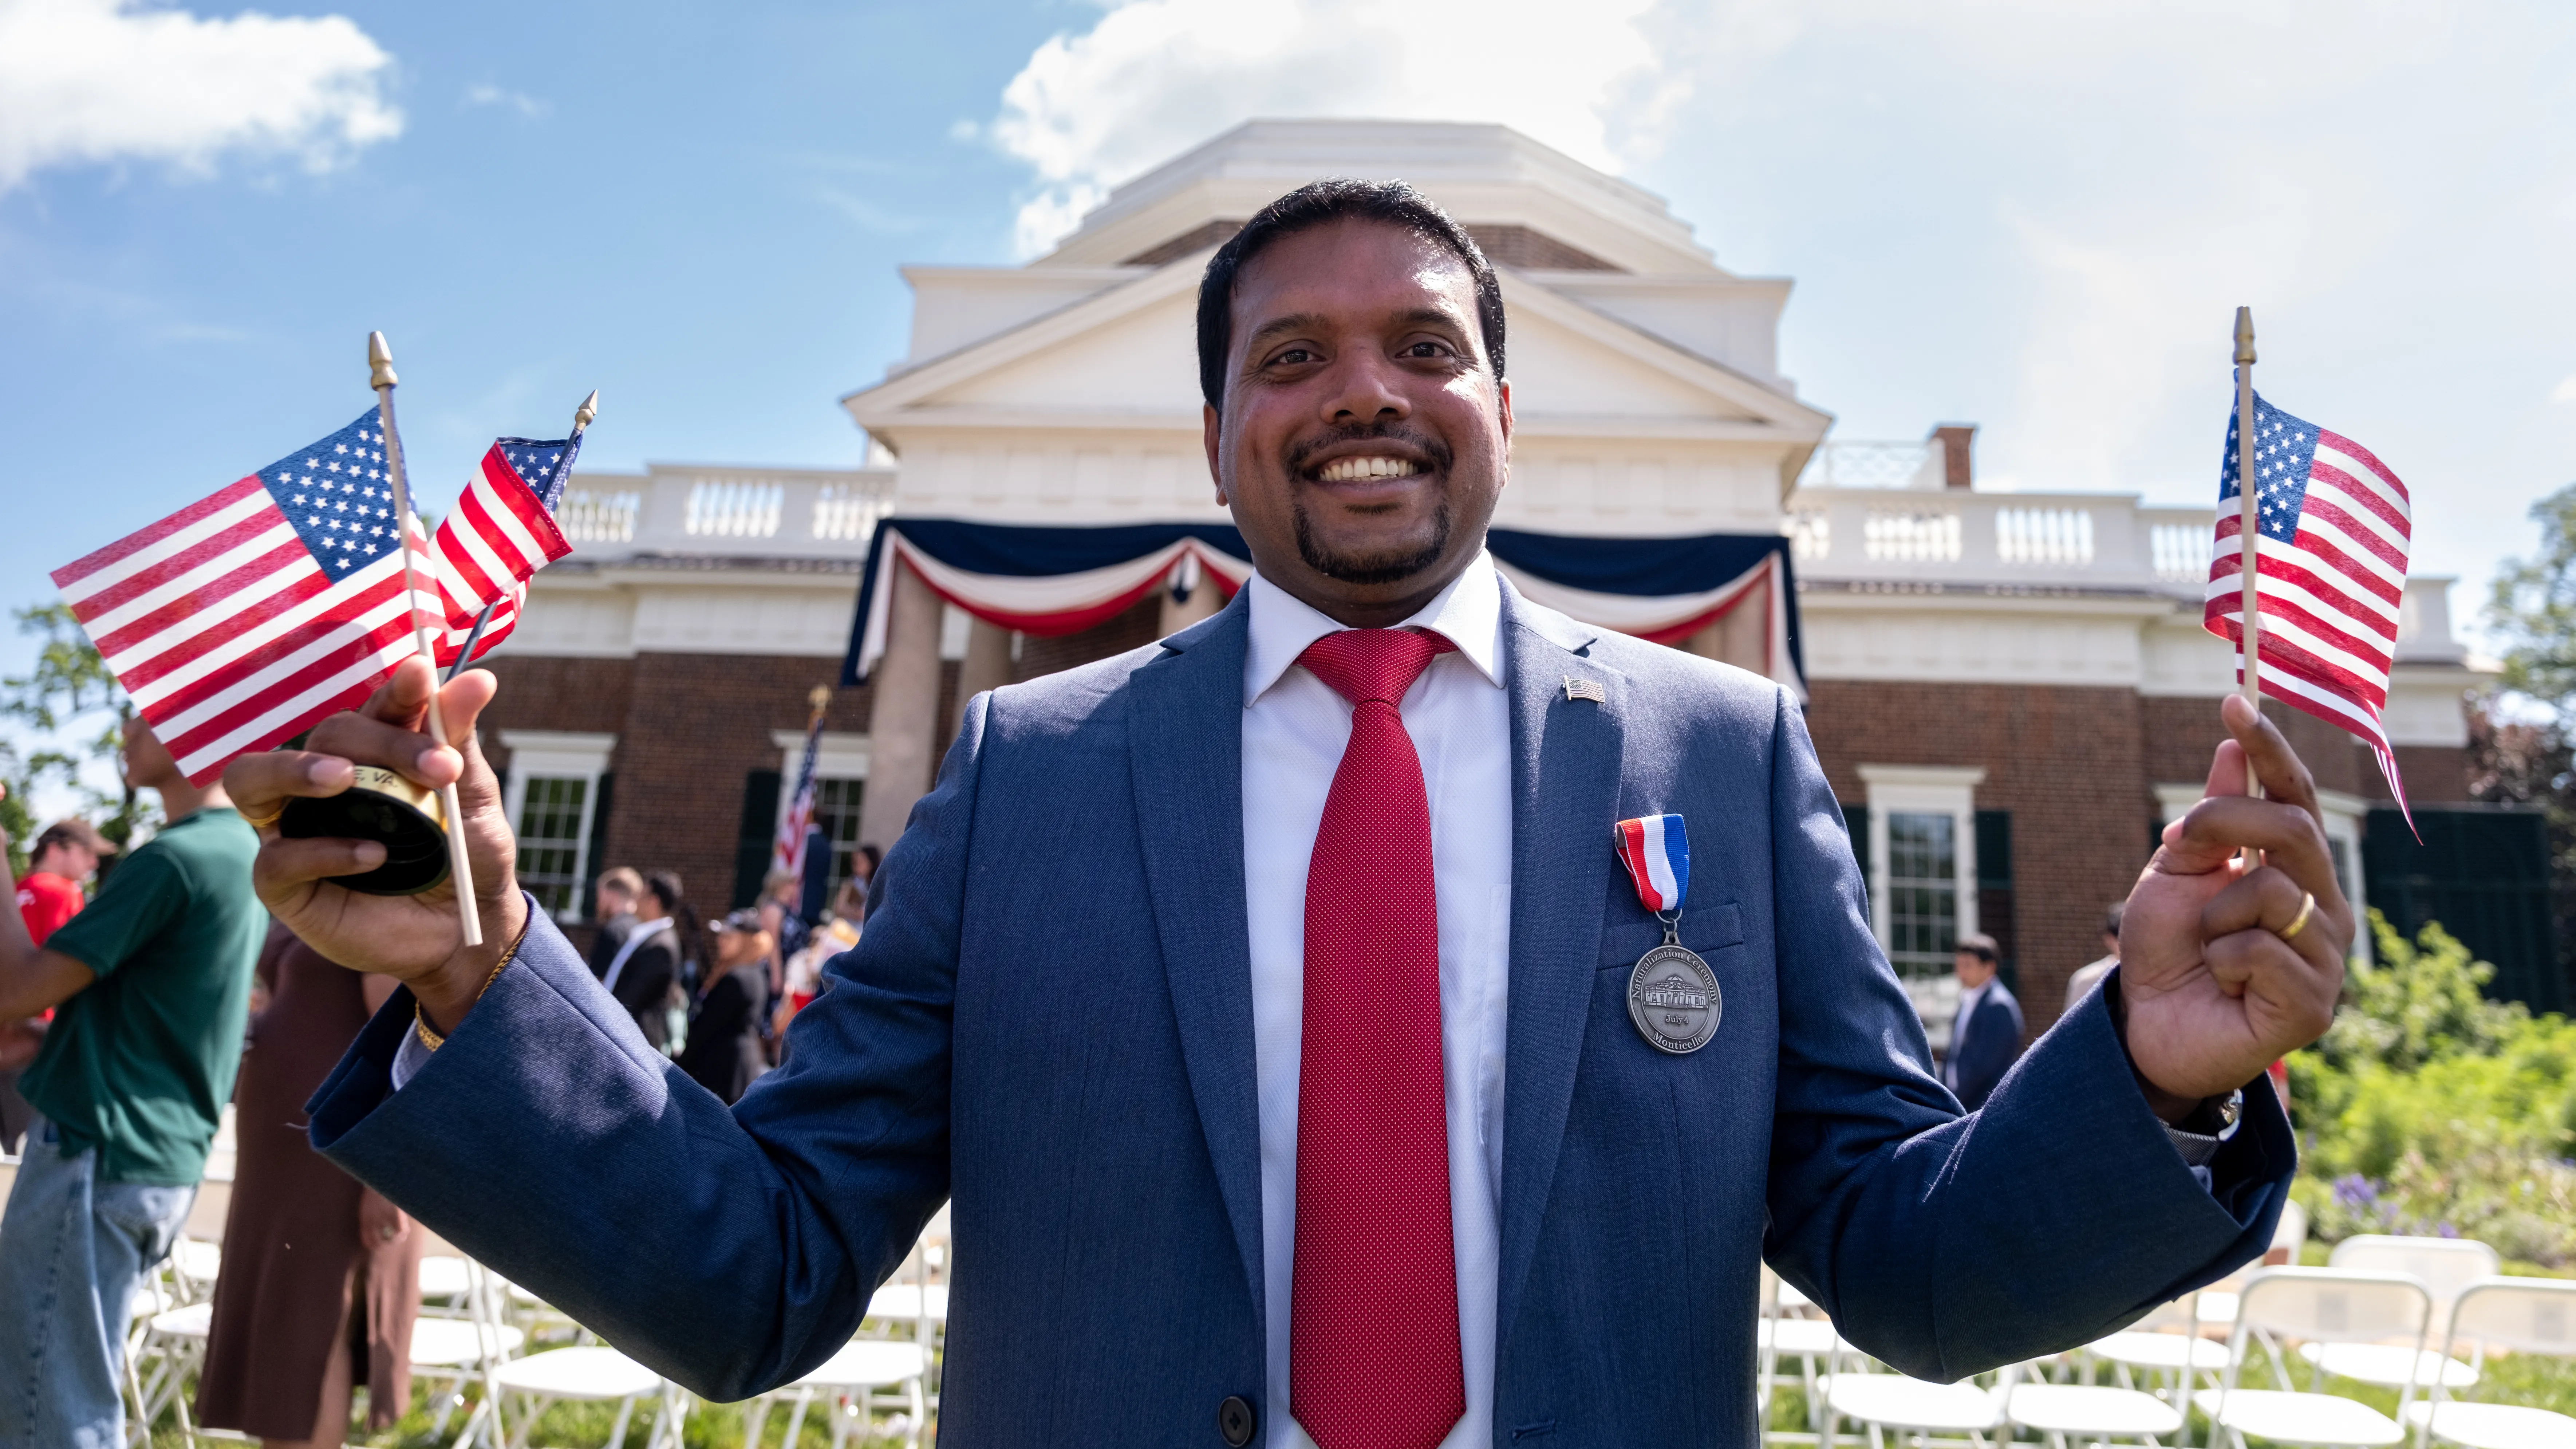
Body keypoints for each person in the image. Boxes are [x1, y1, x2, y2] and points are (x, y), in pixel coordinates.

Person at [236, 180, 2352, 1448]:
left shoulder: (1714, 748)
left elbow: (1910, 1268)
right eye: (1293, 353)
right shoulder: (1034, 772)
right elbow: (757, 1279)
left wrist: (2142, 1091)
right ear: (1220, 428)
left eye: (1426, 343)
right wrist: (482, 981)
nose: (1363, 390)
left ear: (1508, 408)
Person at [0, 720, 264, 1448]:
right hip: (152, 1158)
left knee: (49, 1414)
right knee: (70, 1397)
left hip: (96, 1151)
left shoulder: (173, 860)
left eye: (144, 710)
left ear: (197, 730)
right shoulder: (240, 852)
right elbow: (162, 1018)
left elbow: (16, 988)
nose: (125, 730)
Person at [198, 924, 421, 1449]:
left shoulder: (374, 897)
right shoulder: (309, 889)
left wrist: (382, 1173)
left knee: (310, 1329)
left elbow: (398, 1041)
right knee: (283, 1330)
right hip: (282, 1171)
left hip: (332, 1163)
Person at [2, 818, 113, 1153]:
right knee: (28, 1151)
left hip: (6, 1030)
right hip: (38, 1038)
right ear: (56, 848)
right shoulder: (63, 891)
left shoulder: (16, 888)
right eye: (87, 852)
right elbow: (71, 969)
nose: (93, 863)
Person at [677, 910, 772, 1106]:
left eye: (729, 936)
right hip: (736, 1069)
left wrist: (678, 1068)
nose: (721, 941)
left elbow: (706, 1029)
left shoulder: (737, 979)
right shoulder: (755, 974)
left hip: (724, 1074)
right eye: (721, 935)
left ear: (747, 940)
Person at [598, 870, 691, 1053]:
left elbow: (632, 999)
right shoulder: (646, 935)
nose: (636, 901)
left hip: (635, 1043)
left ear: (653, 901)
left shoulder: (662, 946)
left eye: (641, 895)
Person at [1941, 932, 2025, 1111]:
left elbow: (1983, 1067)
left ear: (1989, 968)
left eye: (1968, 965)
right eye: (1958, 965)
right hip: (1960, 1103)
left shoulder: (1999, 1006)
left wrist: (1952, 1100)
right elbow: (1954, 1052)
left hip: (1983, 1108)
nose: (1960, 971)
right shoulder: (1967, 999)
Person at [585, 866, 644, 980]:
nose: (598, 904)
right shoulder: (643, 929)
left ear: (612, 894)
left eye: (600, 895)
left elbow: (597, 981)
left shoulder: (613, 931)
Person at [2066, 902, 2124, 1007]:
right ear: (2109, 940)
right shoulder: (2086, 981)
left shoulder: (2154, 980)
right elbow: (2074, 1022)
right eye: (2121, 938)